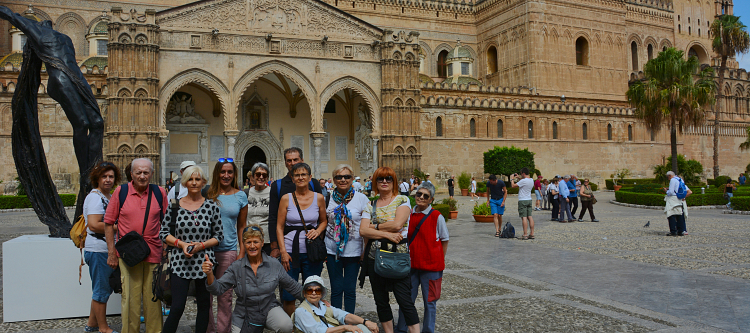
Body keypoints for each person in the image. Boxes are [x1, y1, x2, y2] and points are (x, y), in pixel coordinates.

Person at [104, 158, 167, 333]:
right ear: (131, 174)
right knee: (130, 300)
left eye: (146, 172)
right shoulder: (121, 192)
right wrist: (111, 253)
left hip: (154, 253)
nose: (142, 176)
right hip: (128, 256)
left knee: (153, 300)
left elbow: (167, 224)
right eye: (138, 172)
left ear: (152, 174)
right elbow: (108, 223)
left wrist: (167, 250)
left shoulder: (159, 192)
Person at [204, 225, 305, 333]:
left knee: (286, 325)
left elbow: (293, 286)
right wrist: (210, 273)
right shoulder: (236, 267)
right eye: (248, 242)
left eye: (256, 242)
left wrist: (316, 297)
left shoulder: (273, 264)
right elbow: (217, 289)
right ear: (243, 244)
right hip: (245, 312)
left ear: (262, 243)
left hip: (269, 307)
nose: (252, 246)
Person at [160, 165, 223, 333]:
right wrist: (182, 244)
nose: (194, 182)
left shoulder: (211, 206)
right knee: (177, 307)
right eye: (190, 179)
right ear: (185, 182)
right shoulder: (175, 205)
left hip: (205, 263)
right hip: (180, 262)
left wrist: (200, 246)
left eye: (197, 179)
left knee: (204, 306)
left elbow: (219, 236)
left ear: (203, 182)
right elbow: (164, 232)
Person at [359, 167, 420, 333]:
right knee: (381, 301)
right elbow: (363, 231)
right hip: (374, 258)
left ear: (394, 182)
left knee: (405, 300)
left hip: (397, 257)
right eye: (380, 179)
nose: (384, 182)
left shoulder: (402, 200)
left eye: (388, 179)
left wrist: (375, 227)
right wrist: (387, 234)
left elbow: (398, 225)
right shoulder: (370, 204)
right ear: (375, 182)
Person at [395, 182, 448, 333]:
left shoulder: (437, 216)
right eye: (419, 194)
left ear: (431, 199)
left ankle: (428, 330)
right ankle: (402, 328)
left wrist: (440, 259)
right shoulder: (409, 214)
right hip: (410, 266)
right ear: (415, 195)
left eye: (426, 196)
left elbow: (445, 239)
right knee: (406, 300)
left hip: (431, 268)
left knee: (430, 301)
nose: (422, 198)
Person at [277, 162, 328, 316]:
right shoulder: (286, 199)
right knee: (288, 294)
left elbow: (324, 220)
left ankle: (310, 325)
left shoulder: (319, 198)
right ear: (292, 178)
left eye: (303, 174)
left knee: (312, 291)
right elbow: (279, 227)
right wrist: (283, 252)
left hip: (311, 251)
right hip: (290, 251)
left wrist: (317, 231)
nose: (300, 178)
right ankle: (291, 326)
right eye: (297, 175)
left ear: (310, 177)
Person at [206, 159, 248, 333]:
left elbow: (242, 226)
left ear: (234, 174)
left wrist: (241, 251)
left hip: (228, 250)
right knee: (206, 295)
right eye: (222, 172)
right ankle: (208, 329)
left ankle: (224, 331)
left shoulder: (240, 195)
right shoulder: (207, 194)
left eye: (229, 172)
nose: (226, 175)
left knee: (225, 295)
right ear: (217, 173)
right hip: (206, 251)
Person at [325, 164, 370, 313]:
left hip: (354, 251)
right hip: (332, 250)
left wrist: (364, 250)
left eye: (346, 176)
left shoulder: (361, 199)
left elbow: (366, 226)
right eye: (339, 177)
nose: (343, 179)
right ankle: (337, 320)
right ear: (334, 179)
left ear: (352, 179)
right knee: (336, 289)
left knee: (350, 289)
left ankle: (349, 320)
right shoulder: (328, 198)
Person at [83, 162, 121, 333]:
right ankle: (103, 328)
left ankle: (91, 324)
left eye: (111, 176)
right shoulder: (95, 197)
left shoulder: (108, 196)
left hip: (104, 248)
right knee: (101, 289)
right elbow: (93, 224)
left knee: (101, 287)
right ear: (97, 178)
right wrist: (119, 227)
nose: (107, 180)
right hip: (98, 249)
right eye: (104, 176)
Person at [269, 148, 323, 260]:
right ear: (285, 163)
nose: (292, 163)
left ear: (302, 160)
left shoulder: (314, 184)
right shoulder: (277, 186)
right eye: (289, 160)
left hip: (311, 243)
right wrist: (275, 246)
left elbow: (322, 216)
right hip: (287, 243)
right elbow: (273, 217)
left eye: (295, 159)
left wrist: (320, 239)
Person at [293, 275, 379, 333]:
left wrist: (366, 322)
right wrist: (345, 327)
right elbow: (318, 331)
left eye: (317, 290)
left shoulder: (322, 305)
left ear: (322, 294)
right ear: (304, 294)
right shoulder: (301, 311)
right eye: (309, 290)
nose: (314, 293)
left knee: (362, 327)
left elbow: (344, 315)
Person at [246, 163, 272, 254]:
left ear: (267, 178)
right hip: (249, 240)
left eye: (264, 175)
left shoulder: (272, 192)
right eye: (258, 174)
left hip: (267, 241)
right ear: (253, 176)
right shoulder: (246, 193)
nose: (261, 177)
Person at [664, 171, 691, 236]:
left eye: (667, 177)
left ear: (669, 175)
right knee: (679, 214)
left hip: (673, 198)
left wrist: (666, 191)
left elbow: (671, 192)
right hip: (679, 198)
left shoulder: (672, 180)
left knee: (671, 214)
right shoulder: (680, 179)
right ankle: (681, 231)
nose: (668, 178)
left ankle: (673, 231)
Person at [510, 168, 535, 240]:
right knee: (530, 217)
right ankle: (532, 233)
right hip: (529, 199)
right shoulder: (531, 180)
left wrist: (512, 179)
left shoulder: (524, 181)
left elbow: (513, 186)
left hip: (522, 200)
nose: (521, 174)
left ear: (523, 173)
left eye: (521, 173)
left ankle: (525, 234)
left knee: (524, 217)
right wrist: (518, 177)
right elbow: (524, 181)